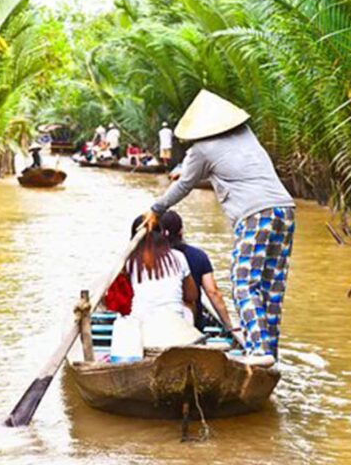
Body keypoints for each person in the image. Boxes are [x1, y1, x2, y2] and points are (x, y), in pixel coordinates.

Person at [142, 90, 295, 366]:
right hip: (285, 209)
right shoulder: (246, 134)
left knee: (243, 282)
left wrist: (156, 209)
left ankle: (259, 352)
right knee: (272, 286)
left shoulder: (201, 149)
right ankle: (271, 353)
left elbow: (184, 185)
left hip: (255, 214)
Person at [124, 215, 202, 348]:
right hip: (175, 324)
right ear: (163, 235)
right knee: (189, 304)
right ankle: (190, 336)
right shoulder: (178, 257)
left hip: (142, 325)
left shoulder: (128, 261)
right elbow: (192, 295)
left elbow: (119, 299)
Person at [161, 211, 235, 334]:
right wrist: (229, 326)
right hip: (192, 323)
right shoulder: (198, 256)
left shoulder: (150, 258)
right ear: (181, 231)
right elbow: (213, 292)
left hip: (157, 320)